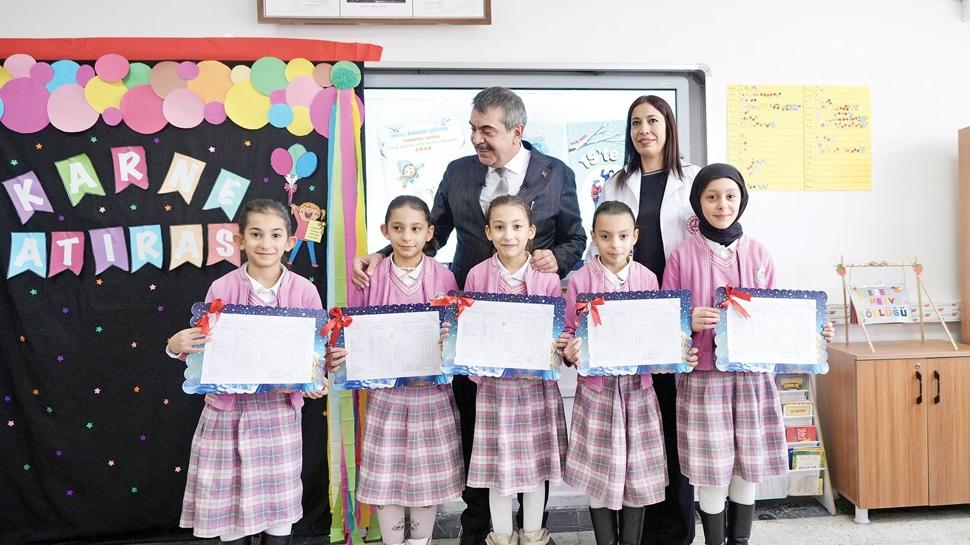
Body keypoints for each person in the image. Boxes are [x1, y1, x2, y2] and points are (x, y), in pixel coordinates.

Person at [354, 87, 586, 545]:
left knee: (531, 451)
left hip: (529, 334)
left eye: (487, 130)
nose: (477, 138)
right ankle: (480, 529)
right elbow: (432, 233)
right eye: (473, 128)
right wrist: (380, 256)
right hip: (469, 325)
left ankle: (532, 530)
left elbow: (575, 239)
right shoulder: (458, 170)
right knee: (475, 430)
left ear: (516, 131)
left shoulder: (556, 172)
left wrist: (555, 259)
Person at [660, 164, 834, 545]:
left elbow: (778, 318)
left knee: (746, 468)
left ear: (741, 200)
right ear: (698, 202)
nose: (722, 205)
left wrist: (814, 332)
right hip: (704, 379)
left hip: (752, 379)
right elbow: (665, 321)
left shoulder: (758, 253)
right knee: (711, 471)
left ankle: (739, 541)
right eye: (711, 197)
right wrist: (688, 320)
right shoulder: (681, 257)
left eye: (730, 196)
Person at [166, 199, 328, 545]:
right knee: (232, 513)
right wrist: (177, 345)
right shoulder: (221, 289)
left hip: (278, 415)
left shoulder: (305, 292)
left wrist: (317, 378)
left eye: (275, 235)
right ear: (240, 240)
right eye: (256, 234)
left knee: (278, 514)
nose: (265, 243)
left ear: (290, 241)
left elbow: (316, 354)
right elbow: (206, 354)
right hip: (228, 415)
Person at [327, 195, 464, 545]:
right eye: (398, 228)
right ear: (385, 231)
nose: (407, 237)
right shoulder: (369, 276)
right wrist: (343, 351)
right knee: (386, 476)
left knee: (426, 477)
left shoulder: (444, 276)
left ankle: (420, 541)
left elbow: (455, 333)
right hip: (385, 396)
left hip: (431, 395)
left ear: (429, 232)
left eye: (416, 229)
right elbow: (353, 328)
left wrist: (451, 339)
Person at [558, 201, 697, 545]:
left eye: (622, 236)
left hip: (639, 390)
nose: (614, 244)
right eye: (605, 236)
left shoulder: (647, 277)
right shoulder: (581, 280)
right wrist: (570, 350)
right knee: (598, 474)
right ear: (593, 237)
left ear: (634, 236)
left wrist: (678, 352)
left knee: (638, 473)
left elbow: (660, 330)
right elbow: (570, 330)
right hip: (596, 391)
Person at [598, 95, 701, 545]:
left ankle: (676, 531)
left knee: (675, 421)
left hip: (676, 311)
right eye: (636, 122)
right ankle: (639, 530)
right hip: (631, 313)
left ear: (668, 126)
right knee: (640, 425)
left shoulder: (692, 179)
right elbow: (601, 245)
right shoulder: (616, 182)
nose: (644, 130)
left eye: (653, 121)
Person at [463, 195, 568, 545]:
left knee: (536, 468)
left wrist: (557, 345)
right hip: (495, 390)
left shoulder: (547, 278)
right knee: (499, 470)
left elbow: (557, 331)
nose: (509, 235)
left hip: (537, 388)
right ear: (488, 232)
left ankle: (533, 535)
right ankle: (502, 536)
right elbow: (469, 331)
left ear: (531, 231)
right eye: (500, 227)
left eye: (517, 226)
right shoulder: (477, 275)